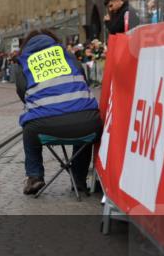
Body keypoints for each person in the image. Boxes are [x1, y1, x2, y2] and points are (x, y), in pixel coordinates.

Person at [12, 29, 101, 196]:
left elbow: (22, 91)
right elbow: (83, 79)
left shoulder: (23, 61)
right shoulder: (67, 55)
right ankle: (79, 181)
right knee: (83, 126)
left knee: (28, 129)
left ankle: (34, 176)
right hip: (89, 123)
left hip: (45, 124)